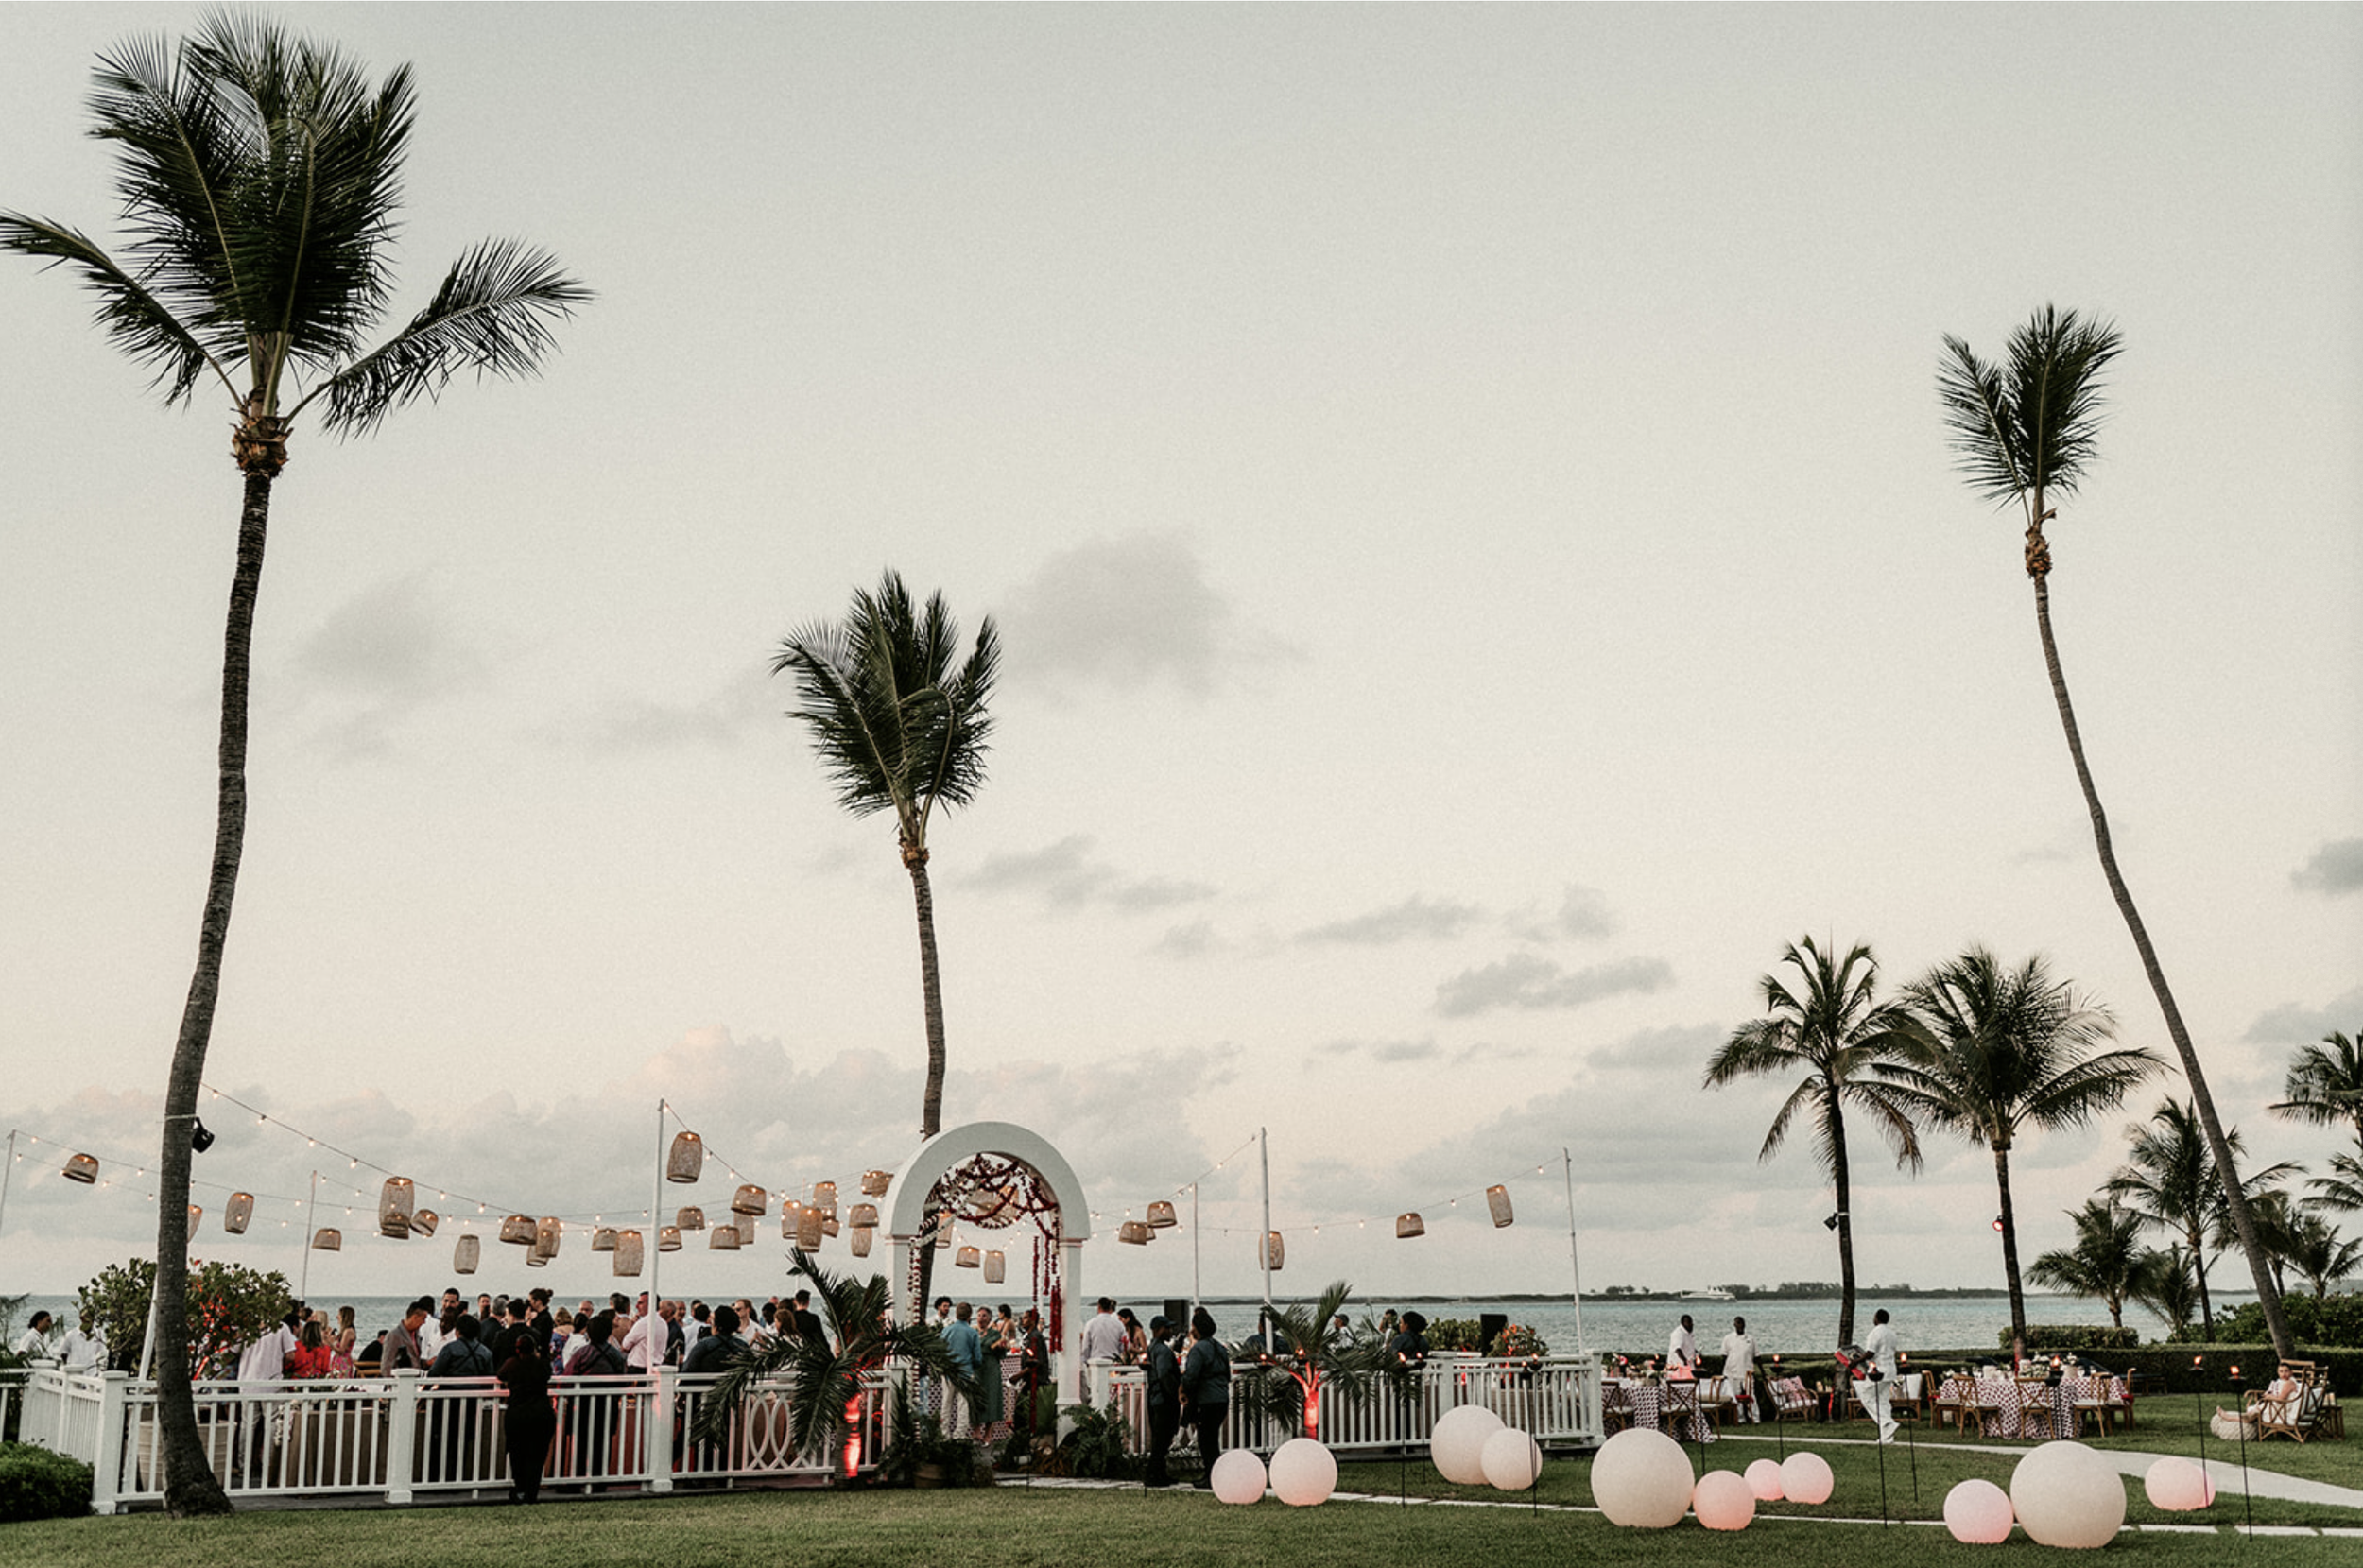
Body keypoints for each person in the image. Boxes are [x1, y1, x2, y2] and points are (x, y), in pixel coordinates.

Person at [497, 1328, 555, 1503]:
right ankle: (532, 1492)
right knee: (537, 1456)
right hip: (541, 1414)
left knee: (517, 1454)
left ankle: (520, 1489)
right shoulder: (542, 1365)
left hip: (518, 1415)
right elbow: (548, 1373)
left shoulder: (512, 1364)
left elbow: (501, 1376)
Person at [1181, 1308, 1230, 1487]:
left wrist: (1183, 1389)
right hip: (1222, 1399)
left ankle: (1212, 1476)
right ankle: (1214, 1474)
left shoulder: (1198, 1349)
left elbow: (1192, 1375)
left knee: (1206, 1441)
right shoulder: (1220, 1348)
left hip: (1206, 1399)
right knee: (1211, 1438)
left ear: (1197, 1329)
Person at [1143, 1316, 1182, 1487]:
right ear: (1158, 1330)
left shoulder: (1152, 1348)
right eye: (1167, 1328)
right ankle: (1153, 1475)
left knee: (1160, 1438)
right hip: (1164, 1399)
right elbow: (1164, 1374)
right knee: (1162, 1439)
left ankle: (1159, 1472)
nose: (1170, 1332)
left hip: (1154, 1397)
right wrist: (1174, 1392)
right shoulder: (1163, 1351)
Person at [942, 1302, 984, 1435]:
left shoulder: (947, 1330)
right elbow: (977, 1357)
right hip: (965, 1371)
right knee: (963, 1406)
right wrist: (974, 1365)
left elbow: (940, 1350)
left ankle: (944, 1433)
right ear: (970, 1315)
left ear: (956, 1314)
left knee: (946, 1404)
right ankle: (959, 1435)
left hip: (949, 1371)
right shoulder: (972, 1332)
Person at [1861, 1308, 1901, 1444]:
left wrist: (1856, 1360)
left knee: (1867, 1397)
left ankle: (1887, 1423)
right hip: (1890, 1369)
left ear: (1877, 1318)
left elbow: (1870, 1353)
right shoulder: (1892, 1333)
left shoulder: (1875, 1333)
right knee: (1883, 1401)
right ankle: (1886, 1437)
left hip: (1878, 1371)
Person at [1720, 1316, 1761, 1423]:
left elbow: (1757, 1356)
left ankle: (1755, 1418)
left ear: (1744, 1325)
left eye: (1741, 1323)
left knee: (1751, 1395)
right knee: (1735, 1396)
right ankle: (1739, 1418)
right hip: (1732, 1372)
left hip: (1747, 1371)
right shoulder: (1728, 1338)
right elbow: (1724, 1356)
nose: (1739, 1325)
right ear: (1734, 1325)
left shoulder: (1750, 1339)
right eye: (1737, 1323)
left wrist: (1763, 1372)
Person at [383, 1298, 432, 1373]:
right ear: (414, 1317)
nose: (424, 1322)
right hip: (401, 1382)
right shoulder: (394, 1336)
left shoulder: (416, 1335)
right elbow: (386, 1366)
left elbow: (415, 1361)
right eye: (423, 1319)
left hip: (415, 1381)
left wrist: (427, 1363)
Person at [1080, 1297, 1127, 1363]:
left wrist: (1086, 1360)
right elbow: (1123, 1346)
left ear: (1099, 1307)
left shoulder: (1091, 1324)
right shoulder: (1119, 1324)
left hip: (1095, 1361)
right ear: (1110, 1308)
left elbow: (1086, 1347)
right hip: (1113, 1361)